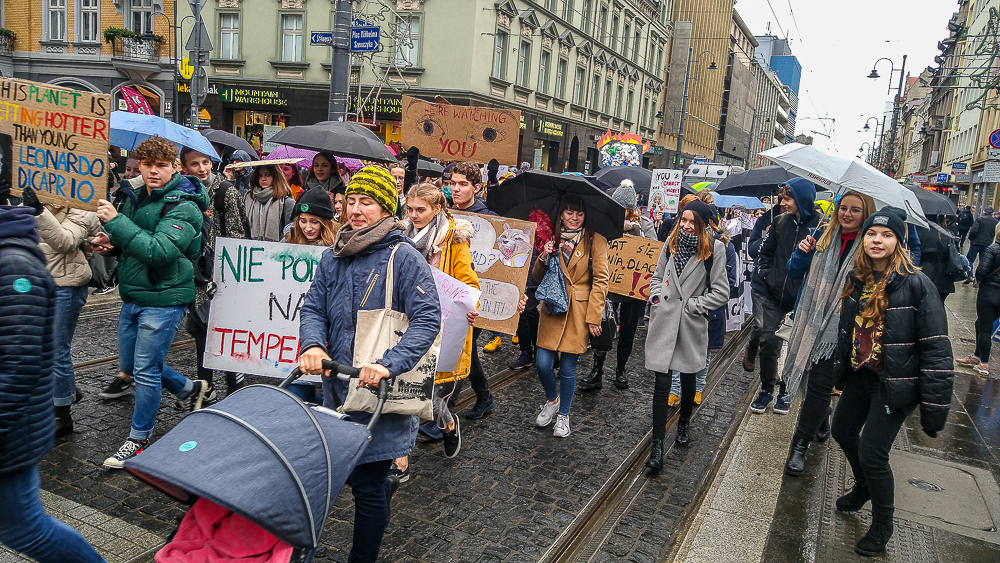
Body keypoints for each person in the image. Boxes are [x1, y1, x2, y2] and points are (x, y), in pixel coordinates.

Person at [298, 165, 441, 563]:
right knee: (318, 480)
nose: (357, 210)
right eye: (353, 201)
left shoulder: (405, 257)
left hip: (379, 396)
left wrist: (389, 363)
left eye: (368, 203)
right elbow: (313, 307)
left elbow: (428, 317)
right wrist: (312, 344)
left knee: (368, 485)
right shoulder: (334, 256)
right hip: (335, 389)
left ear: (385, 209)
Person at [830, 208, 952, 557]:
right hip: (860, 375)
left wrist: (934, 408)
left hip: (894, 382)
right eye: (872, 235)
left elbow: (936, 349)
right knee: (841, 431)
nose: (877, 240)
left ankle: (883, 525)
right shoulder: (859, 278)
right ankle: (865, 487)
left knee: (873, 452)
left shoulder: (917, 284)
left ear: (897, 242)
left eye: (885, 235)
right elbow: (849, 331)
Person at [87, 136, 210, 469]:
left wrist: (115, 222)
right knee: (131, 366)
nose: (153, 171)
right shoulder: (135, 195)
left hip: (165, 297)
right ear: (139, 164)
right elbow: (131, 241)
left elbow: (160, 251)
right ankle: (188, 389)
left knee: (144, 370)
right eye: (147, 164)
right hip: (133, 294)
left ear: (174, 168)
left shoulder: (185, 205)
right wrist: (109, 243)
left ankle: (138, 439)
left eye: (160, 165)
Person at [0, 204, 108, 563]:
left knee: (25, 528)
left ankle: (63, 408)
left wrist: (41, 208)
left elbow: (22, 364)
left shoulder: (14, 263)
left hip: (66, 284)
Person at [779, 191, 875, 476]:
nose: (847, 214)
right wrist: (801, 252)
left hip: (840, 327)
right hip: (809, 319)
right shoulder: (821, 236)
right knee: (812, 383)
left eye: (855, 210)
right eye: (843, 208)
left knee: (820, 384)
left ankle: (799, 446)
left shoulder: (869, 247)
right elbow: (793, 271)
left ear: (865, 213)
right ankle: (821, 422)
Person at [396, 183, 479, 476]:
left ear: (436, 209)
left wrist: (467, 308)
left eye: (421, 210)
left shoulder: (454, 240)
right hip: (402, 319)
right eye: (410, 209)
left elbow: (468, 283)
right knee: (405, 389)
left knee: (422, 395)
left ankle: (446, 425)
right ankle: (401, 459)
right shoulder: (399, 235)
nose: (414, 215)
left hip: (437, 323)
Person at [644, 201, 730, 469]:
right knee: (661, 384)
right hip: (665, 321)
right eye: (684, 219)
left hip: (690, 324)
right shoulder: (671, 241)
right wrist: (657, 296)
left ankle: (683, 423)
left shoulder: (714, 249)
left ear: (703, 224)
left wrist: (694, 305)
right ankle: (657, 446)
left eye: (693, 221)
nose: (686, 225)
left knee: (689, 375)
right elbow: (656, 278)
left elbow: (721, 292)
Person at [18, 186, 100, 437]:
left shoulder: (84, 207)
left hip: (66, 286)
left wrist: (39, 211)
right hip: (35, 283)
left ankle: (61, 415)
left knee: (56, 349)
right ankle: (65, 390)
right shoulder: (31, 203)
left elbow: (64, 242)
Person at [532, 195, 610, 438]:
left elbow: (601, 280)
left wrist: (594, 316)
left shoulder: (596, 241)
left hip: (578, 311)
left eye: (579, 214)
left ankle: (564, 415)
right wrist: (544, 257)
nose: (574, 218)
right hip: (553, 309)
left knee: (568, 367)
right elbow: (536, 278)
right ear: (561, 214)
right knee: (542, 363)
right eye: (569, 213)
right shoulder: (551, 239)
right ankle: (552, 401)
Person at [179, 147, 250, 404]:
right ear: (184, 167)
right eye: (195, 164)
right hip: (196, 274)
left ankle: (233, 383)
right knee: (201, 331)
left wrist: (227, 274)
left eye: (206, 162)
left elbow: (237, 236)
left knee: (223, 329)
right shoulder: (182, 192)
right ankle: (206, 387)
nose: (202, 168)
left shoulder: (225, 192)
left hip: (221, 273)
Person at [749, 178, 820, 415]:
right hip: (774, 295)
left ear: (802, 200)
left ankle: (786, 392)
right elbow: (765, 253)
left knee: (796, 348)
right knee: (769, 342)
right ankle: (767, 388)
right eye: (782, 198)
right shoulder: (780, 222)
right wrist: (769, 276)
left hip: (801, 299)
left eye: (788, 199)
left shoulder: (821, 227)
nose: (783, 203)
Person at [579, 181, 652, 391]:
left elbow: (652, 254)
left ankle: (621, 368)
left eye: (625, 209)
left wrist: (635, 232)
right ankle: (597, 369)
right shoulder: (604, 223)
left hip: (633, 291)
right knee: (601, 326)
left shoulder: (644, 225)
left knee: (628, 331)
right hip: (608, 287)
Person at [449, 161, 500, 419]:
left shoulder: (487, 218)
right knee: (465, 349)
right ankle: (484, 396)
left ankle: (444, 410)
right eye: (452, 183)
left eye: (462, 184)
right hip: (452, 293)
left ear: (476, 188)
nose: (455, 189)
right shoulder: (447, 215)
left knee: (459, 346)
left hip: (476, 296)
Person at [957, 222, 1000, 376]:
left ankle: (984, 363)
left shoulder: (993, 249)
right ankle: (977, 355)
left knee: (985, 328)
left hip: (989, 292)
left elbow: (982, 270)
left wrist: (978, 279)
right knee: (979, 323)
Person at [244, 163, 296, 242]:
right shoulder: (249, 198)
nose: (263, 179)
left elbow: (290, 233)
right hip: (251, 248)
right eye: (260, 175)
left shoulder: (287, 202)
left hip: (276, 250)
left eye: (268, 175)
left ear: (276, 177)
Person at [966, 206, 998, 271]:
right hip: (987, 244)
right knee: (983, 262)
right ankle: (979, 277)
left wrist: (971, 238)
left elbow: (973, 231)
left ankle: (969, 275)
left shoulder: (979, 219)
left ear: (984, 212)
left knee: (970, 260)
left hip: (976, 243)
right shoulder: (995, 222)